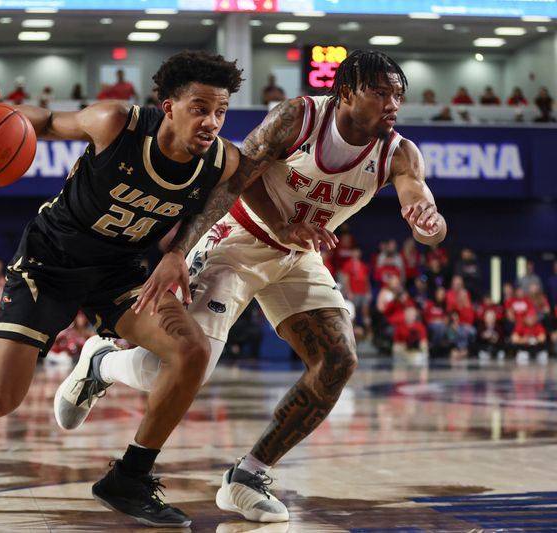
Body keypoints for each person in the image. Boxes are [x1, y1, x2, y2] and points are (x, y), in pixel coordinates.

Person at [55, 49, 447, 523]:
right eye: (380, 92)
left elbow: (419, 200)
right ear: (345, 92)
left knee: (338, 360)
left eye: (398, 95)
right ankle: (103, 362)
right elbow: (235, 175)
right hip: (237, 240)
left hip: (297, 255)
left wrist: (428, 222)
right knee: (175, 371)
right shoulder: (299, 116)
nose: (392, 104)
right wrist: (182, 249)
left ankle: (249, 475)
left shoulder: (399, 152)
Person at [0, 50, 249, 528]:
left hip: (117, 272)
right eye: (201, 108)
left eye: (220, 111)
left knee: (193, 351)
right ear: (170, 106)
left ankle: (130, 477)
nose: (212, 121)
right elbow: (49, 121)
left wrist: (178, 250)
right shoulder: (115, 122)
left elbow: (232, 193)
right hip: (49, 263)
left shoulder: (222, 161)